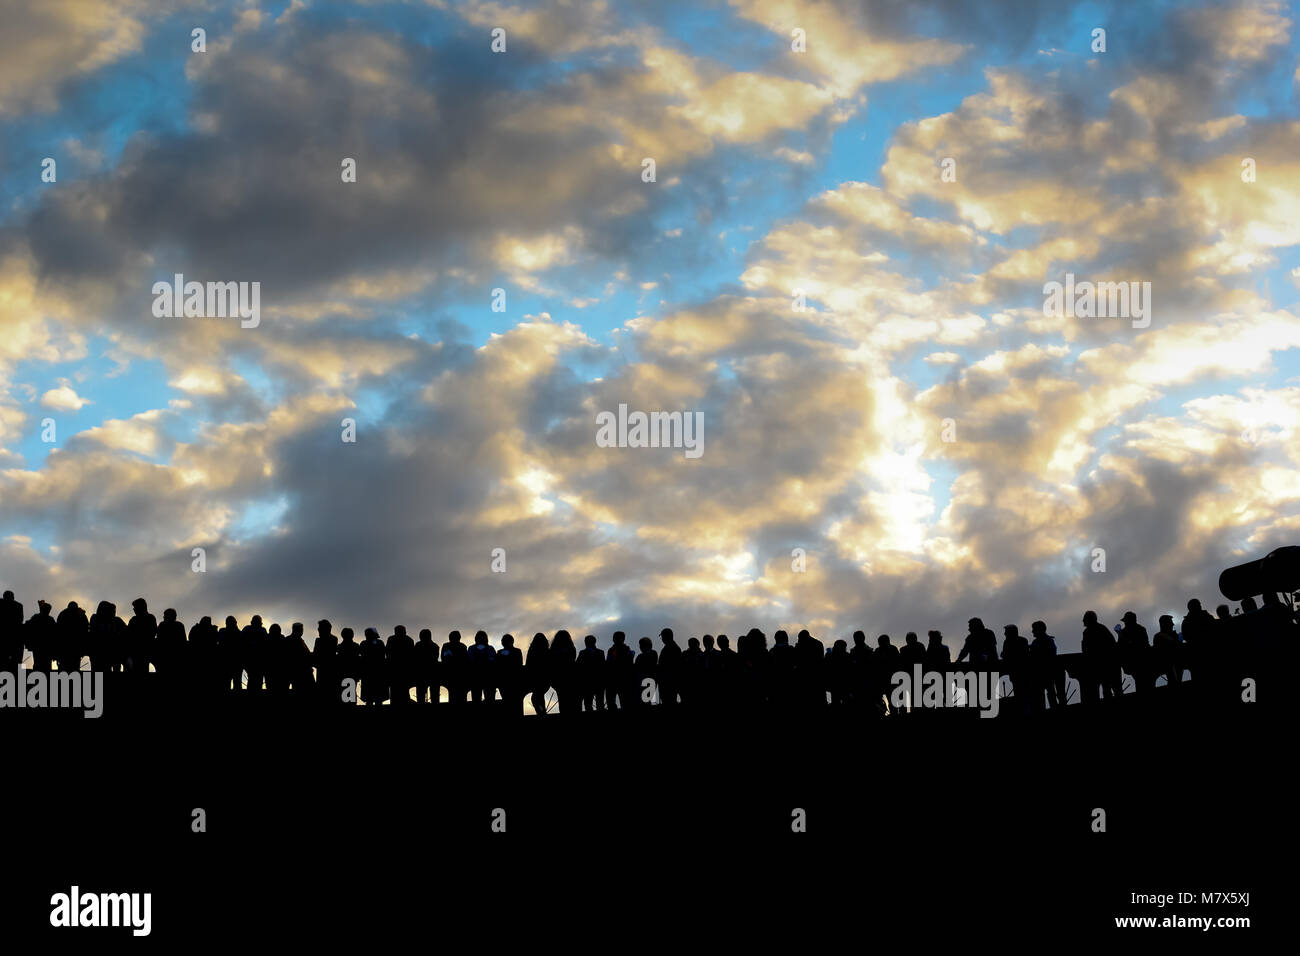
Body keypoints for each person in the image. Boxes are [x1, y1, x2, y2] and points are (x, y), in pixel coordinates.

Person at [1081, 610, 1122, 700]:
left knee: (1104, 689)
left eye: (1084, 619)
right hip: (1107, 664)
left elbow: (1086, 649)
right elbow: (1112, 645)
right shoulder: (1102, 628)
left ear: (1088, 620)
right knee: (1109, 689)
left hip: (1100, 665)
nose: (1083, 621)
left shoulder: (1088, 632)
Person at [1029, 621, 1064, 710]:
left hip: (1042, 672)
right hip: (1050, 672)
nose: (1032, 631)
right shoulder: (1049, 641)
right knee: (1051, 693)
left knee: (1043, 694)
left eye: (1034, 629)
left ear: (1039, 630)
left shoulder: (1037, 642)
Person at [1117, 612, 1151, 694]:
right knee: (1141, 681)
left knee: (1141, 680)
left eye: (1126, 621)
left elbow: (1140, 645)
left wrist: (1122, 637)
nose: (1125, 623)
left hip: (1138, 660)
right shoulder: (1140, 629)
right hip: (1135, 661)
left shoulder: (1138, 630)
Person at [88, 601, 127, 674]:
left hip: (111, 653)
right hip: (100, 653)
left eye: (114, 611)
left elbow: (126, 631)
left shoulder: (116, 620)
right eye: (112, 611)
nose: (114, 613)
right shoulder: (95, 619)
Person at [126, 599, 157, 676]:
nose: (134, 610)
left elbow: (152, 633)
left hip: (143, 650)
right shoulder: (135, 619)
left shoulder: (149, 618)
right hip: (137, 650)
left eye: (135, 608)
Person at [55, 600, 88, 672]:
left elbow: (58, 630)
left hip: (65, 647)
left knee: (64, 668)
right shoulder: (81, 615)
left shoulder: (63, 614)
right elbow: (85, 629)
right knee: (74, 667)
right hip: (75, 647)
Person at [605, 631, 634, 711]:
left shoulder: (622, 649)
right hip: (617, 679)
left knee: (621, 701)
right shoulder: (614, 650)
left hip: (619, 679)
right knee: (617, 701)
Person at [549, 630, 577, 713]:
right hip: (568, 677)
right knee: (569, 699)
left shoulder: (553, 649)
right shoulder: (571, 648)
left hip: (559, 678)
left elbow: (552, 662)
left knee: (562, 700)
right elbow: (572, 660)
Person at [387, 626, 416, 705]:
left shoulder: (391, 639)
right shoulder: (409, 640)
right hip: (405, 670)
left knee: (394, 690)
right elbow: (412, 656)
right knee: (404, 690)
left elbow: (388, 653)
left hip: (394, 669)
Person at [360, 627, 388, 705]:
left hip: (369, 673)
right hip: (378, 673)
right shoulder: (379, 643)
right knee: (377, 698)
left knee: (370, 698)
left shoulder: (363, 643)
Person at [466, 630, 496, 704]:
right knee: (477, 698)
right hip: (476, 676)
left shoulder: (490, 648)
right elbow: (469, 660)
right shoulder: (472, 648)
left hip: (487, 676)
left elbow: (493, 659)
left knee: (488, 698)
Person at [576, 634, 605, 712]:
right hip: (592, 682)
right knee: (592, 704)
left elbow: (578, 666)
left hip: (590, 682)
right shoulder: (600, 652)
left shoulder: (583, 653)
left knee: (593, 704)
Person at [26, 601, 56, 672]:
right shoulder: (50, 620)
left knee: (37, 662)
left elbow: (28, 624)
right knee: (47, 663)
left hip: (37, 644)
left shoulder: (36, 617)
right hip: (47, 645)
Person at [496, 633, 522, 714]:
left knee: (508, 702)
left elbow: (497, 666)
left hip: (506, 681)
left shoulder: (500, 652)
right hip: (512, 681)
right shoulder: (517, 651)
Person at [1152, 615, 1182, 686]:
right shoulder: (1158, 636)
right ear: (1164, 624)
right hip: (1164, 662)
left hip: (1176, 661)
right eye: (1170, 623)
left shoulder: (1174, 636)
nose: (1172, 624)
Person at [440, 631, 468, 705]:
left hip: (454, 673)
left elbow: (445, 658)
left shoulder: (446, 646)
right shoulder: (463, 647)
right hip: (456, 674)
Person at [525, 633, 549, 715]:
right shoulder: (547, 650)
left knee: (536, 697)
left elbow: (528, 664)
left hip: (534, 678)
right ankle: (542, 711)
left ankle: (541, 711)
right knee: (539, 696)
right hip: (545, 679)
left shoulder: (532, 650)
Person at [413, 629, 439, 704]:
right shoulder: (435, 646)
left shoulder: (418, 645)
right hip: (432, 672)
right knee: (434, 694)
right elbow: (435, 658)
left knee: (420, 694)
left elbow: (415, 658)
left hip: (421, 672)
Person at [1, 591, 24, 672]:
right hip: (15, 636)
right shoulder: (19, 605)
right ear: (13, 597)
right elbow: (20, 619)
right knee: (17, 659)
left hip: (3, 635)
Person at [657, 628, 681, 707]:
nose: (662, 639)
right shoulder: (672, 647)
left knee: (669, 702)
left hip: (669, 683)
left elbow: (671, 667)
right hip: (667, 682)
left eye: (662, 637)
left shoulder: (671, 648)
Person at [634, 637, 658, 707]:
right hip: (649, 681)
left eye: (641, 645)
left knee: (644, 702)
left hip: (646, 681)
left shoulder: (648, 654)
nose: (640, 647)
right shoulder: (653, 653)